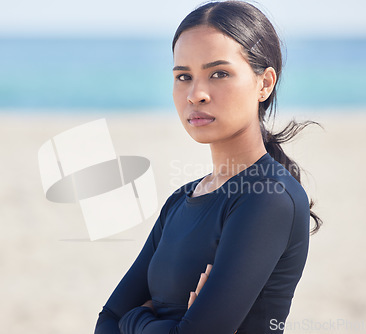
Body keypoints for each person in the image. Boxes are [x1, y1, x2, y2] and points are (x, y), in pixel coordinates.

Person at [94, 1, 323, 333]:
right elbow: (105, 322)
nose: (195, 94)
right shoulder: (180, 200)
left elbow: (124, 320)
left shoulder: (269, 198)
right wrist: (161, 322)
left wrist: (135, 318)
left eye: (219, 73)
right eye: (183, 76)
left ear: (265, 83)